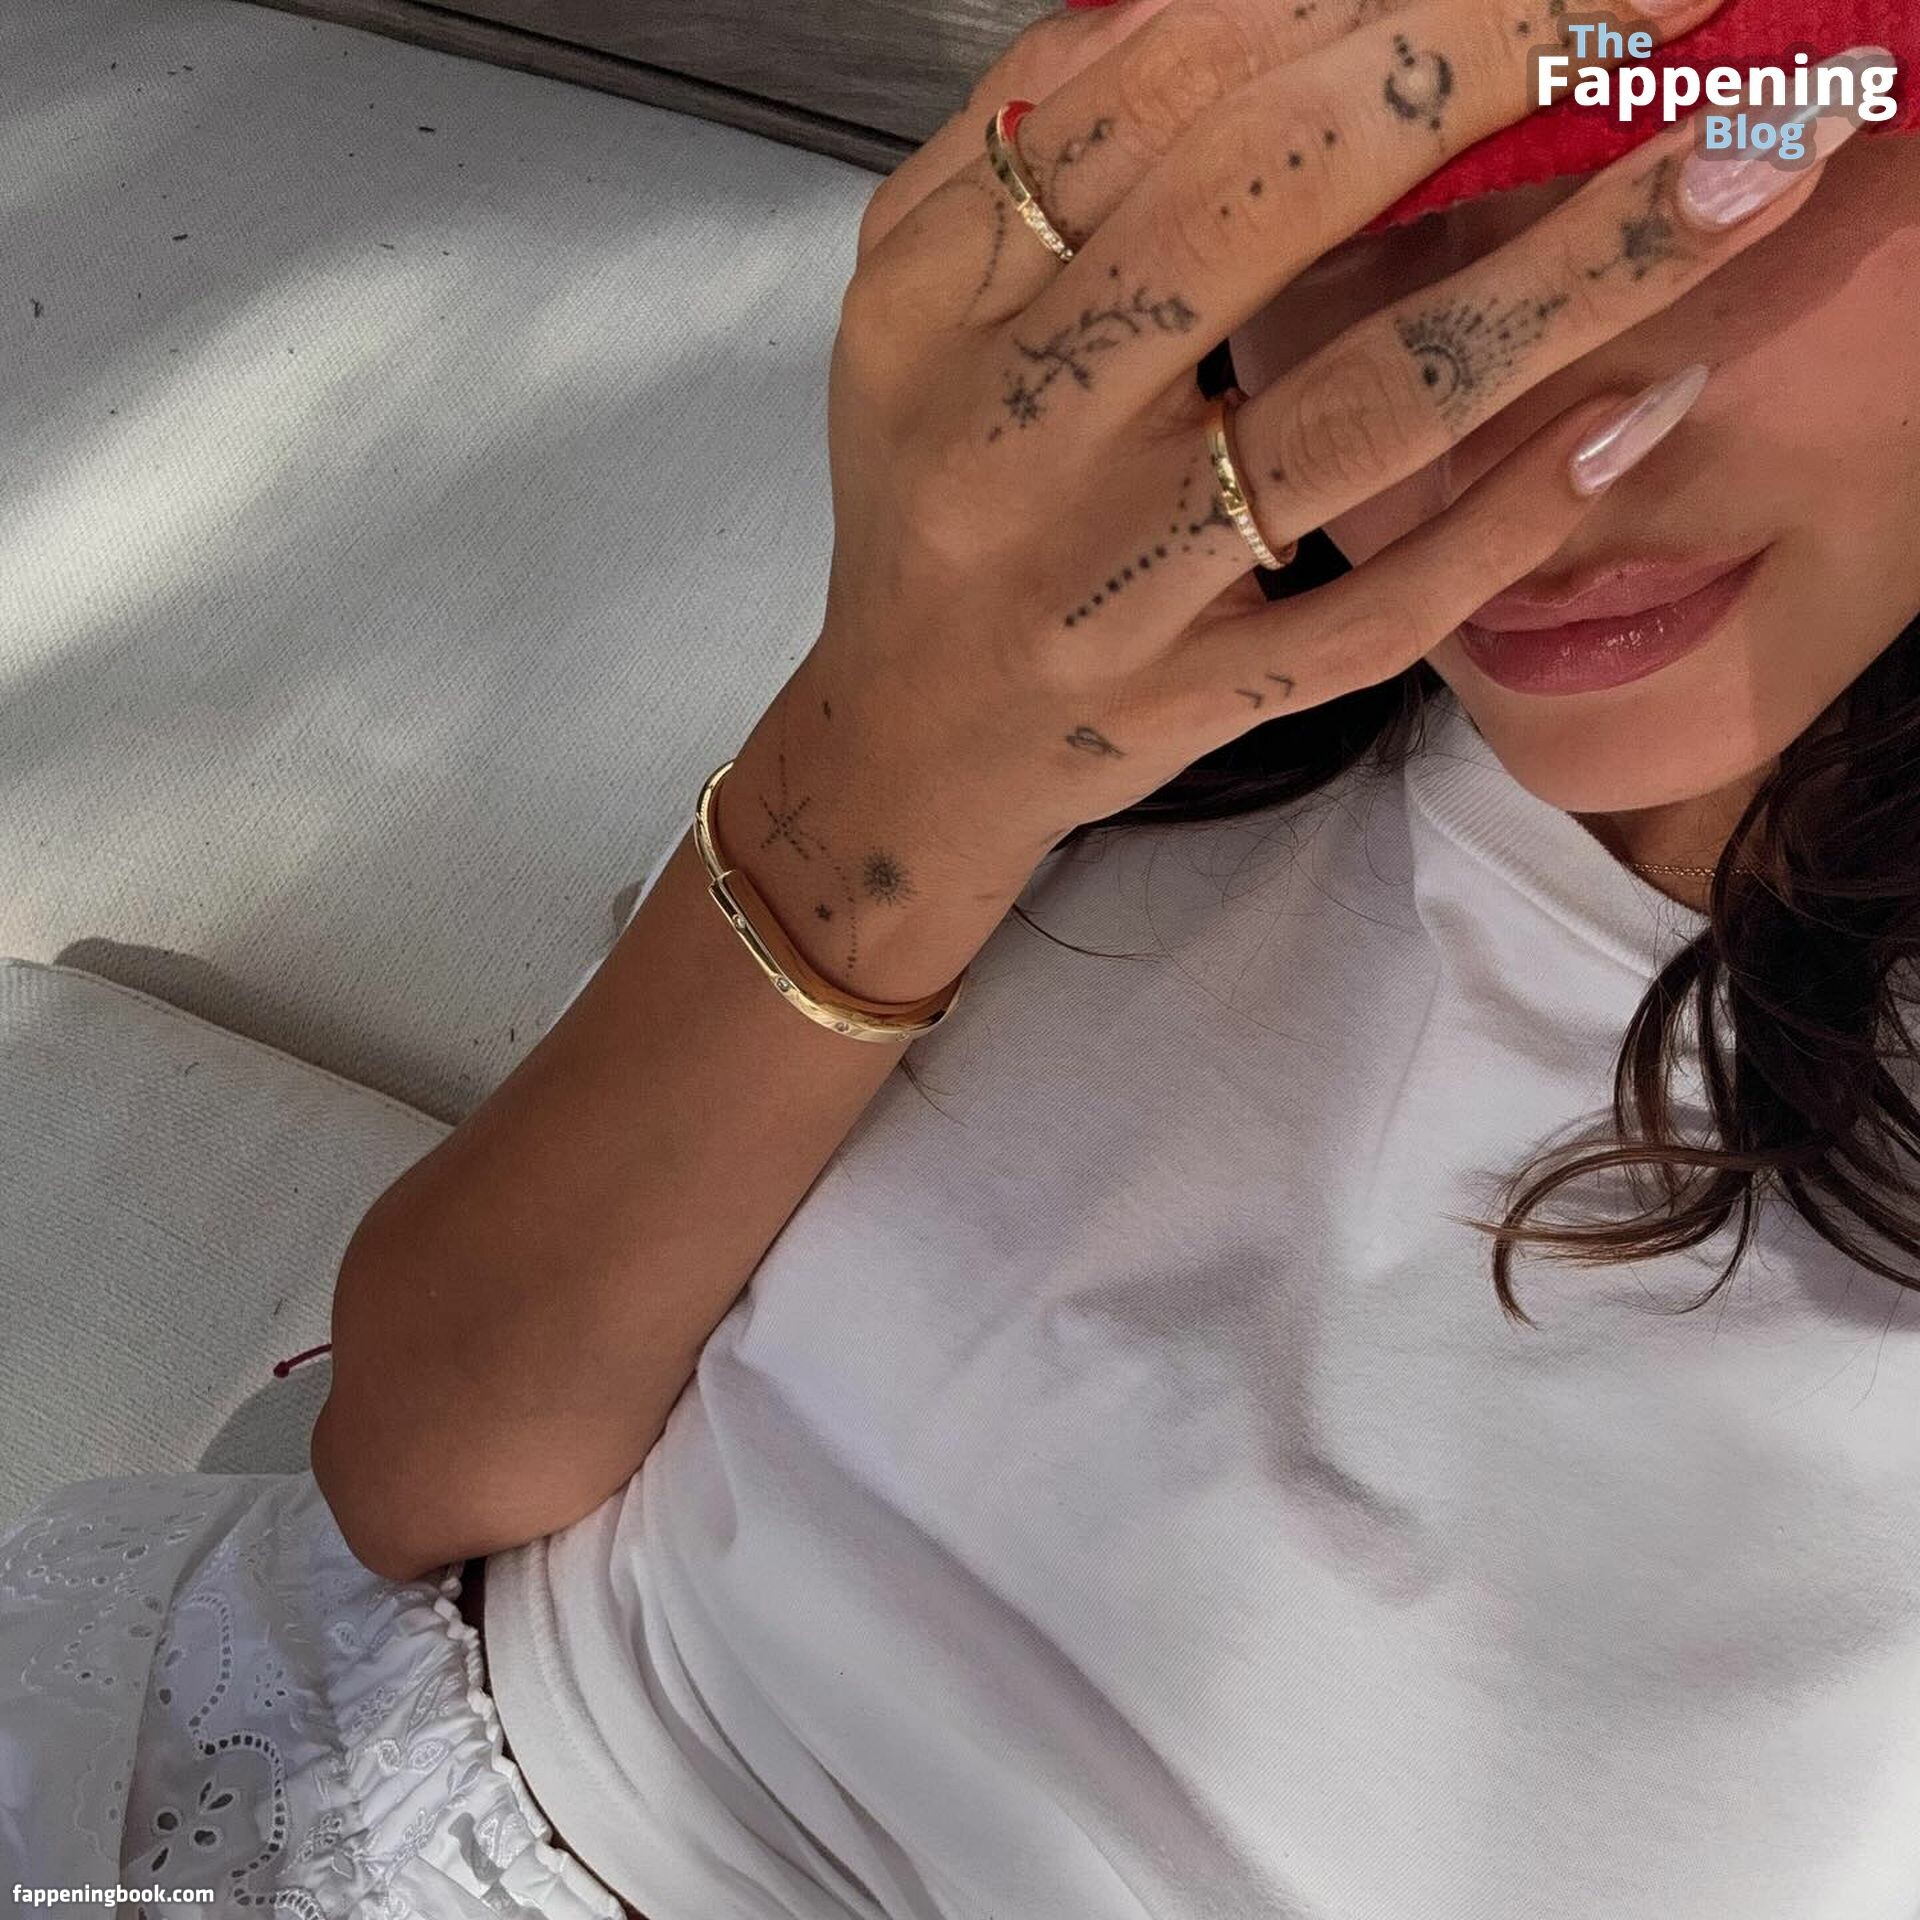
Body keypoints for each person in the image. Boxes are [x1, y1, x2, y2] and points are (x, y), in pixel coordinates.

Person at [5, 0, 1919, 1914]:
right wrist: (893, 763)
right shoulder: (1163, 684)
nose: (1500, 428)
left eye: (1693, 147)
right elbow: (409, 1468)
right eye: (1365, 210)